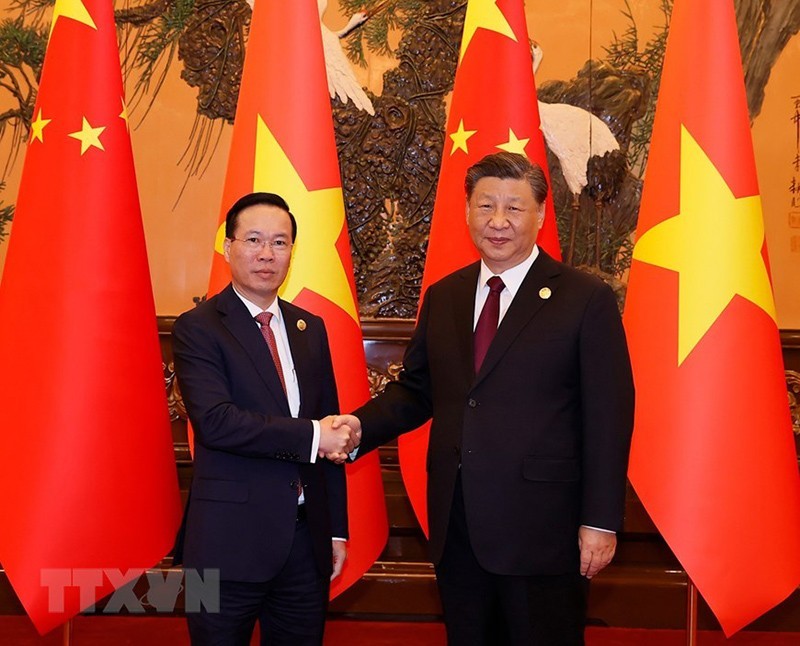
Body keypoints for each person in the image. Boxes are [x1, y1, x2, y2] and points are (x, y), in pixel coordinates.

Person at [333, 152, 635, 645]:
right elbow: (418, 390)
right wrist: (358, 427)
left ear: (539, 214)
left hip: (545, 530)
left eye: (514, 208)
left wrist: (600, 521)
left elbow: (610, 416)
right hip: (459, 526)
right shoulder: (445, 295)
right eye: (485, 206)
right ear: (467, 212)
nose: (498, 222)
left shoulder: (585, 299)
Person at [172, 192, 360, 645]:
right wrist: (315, 435)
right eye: (253, 240)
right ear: (228, 245)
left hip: (304, 546)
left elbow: (328, 430)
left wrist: (334, 529)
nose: (265, 254)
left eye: (279, 243)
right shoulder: (197, 327)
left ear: (292, 252)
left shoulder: (309, 328)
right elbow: (217, 422)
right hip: (222, 546)